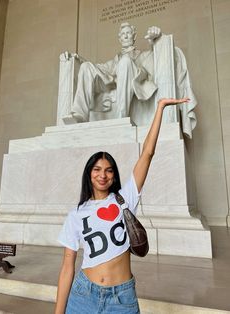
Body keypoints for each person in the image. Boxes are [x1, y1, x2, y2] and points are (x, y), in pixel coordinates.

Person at [55, 97, 190, 314]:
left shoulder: (125, 199)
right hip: (83, 295)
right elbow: (66, 267)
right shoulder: (76, 214)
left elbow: (147, 153)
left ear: (114, 175)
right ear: (89, 174)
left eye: (108, 170)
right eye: (97, 169)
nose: (103, 175)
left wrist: (160, 108)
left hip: (122, 298)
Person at [64, 22, 159, 123]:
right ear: (120, 39)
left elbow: (156, 55)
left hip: (135, 80)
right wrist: (78, 59)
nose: (126, 36)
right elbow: (97, 68)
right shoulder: (114, 61)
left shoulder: (143, 55)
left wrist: (156, 39)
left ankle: (121, 117)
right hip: (113, 82)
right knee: (86, 66)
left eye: (128, 33)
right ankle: (80, 114)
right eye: (123, 34)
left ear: (134, 36)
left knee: (125, 61)